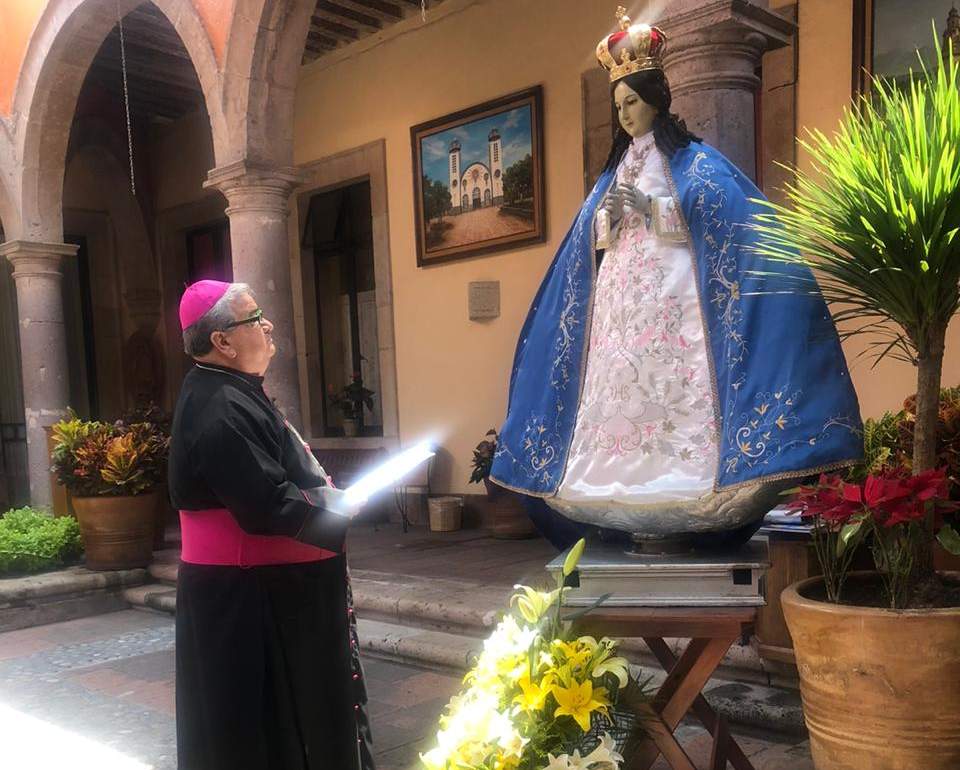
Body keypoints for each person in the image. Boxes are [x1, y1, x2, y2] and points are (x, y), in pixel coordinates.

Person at [490, 8, 862, 550]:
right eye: (618, 105)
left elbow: (714, 219)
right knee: (619, 376)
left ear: (656, 99)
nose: (625, 115)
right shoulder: (613, 172)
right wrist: (607, 218)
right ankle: (611, 480)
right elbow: (589, 244)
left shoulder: (695, 162)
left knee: (674, 376)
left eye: (632, 102)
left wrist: (649, 207)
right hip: (621, 298)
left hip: (674, 294)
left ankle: (690, 474)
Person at [168, 279, 375, 770]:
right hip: (249, 602)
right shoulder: (218, 407)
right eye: (255, 318)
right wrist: (337, 507)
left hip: (266, 591)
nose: (269, 325)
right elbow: (265, 503)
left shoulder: (230, 390)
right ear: (222, 341)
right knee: (261, 730)